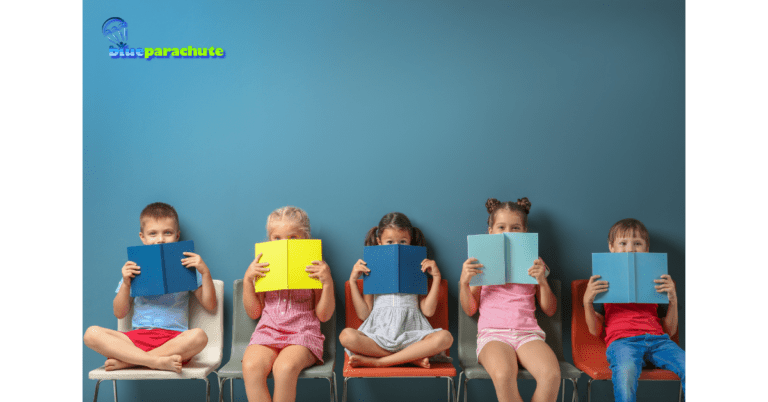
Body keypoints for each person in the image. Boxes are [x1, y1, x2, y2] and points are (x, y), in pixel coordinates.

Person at [83, 202, 217, 373]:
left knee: (199, 336)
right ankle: (155, 361)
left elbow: (210, 305)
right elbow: (119, 312)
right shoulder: (134, 268)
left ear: (177, 236)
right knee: (91, 333)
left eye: (167, 233)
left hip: (173, 341)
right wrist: (126, 283)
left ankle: (131, 362)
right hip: (136, 339)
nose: (160, 239)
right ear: (142, 237)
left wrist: (205, 272)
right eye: (152, 233)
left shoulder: (187, 266)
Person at [460, 198, 560, 402]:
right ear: (490, 231)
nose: (508, 232)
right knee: (504, 375)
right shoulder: (480, 263)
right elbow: (470, 309)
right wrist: (464, 283)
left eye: (515, 228)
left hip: (528, 334)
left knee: (551, 375)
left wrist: (542, 281)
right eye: (501, 227)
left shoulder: (536, 263)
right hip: (493, 335)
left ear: (525, 232)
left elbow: (550, 310)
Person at [583, 218, 686, 402]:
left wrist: (673, 299)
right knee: (626, 373)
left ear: (646, 249)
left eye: (637, 243)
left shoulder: (657, 279)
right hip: (623, 342)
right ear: (611, 247)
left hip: (658, 341)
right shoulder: (602, 280)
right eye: (623, 243)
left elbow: (669, 331)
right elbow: (594, 330)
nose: (630, 249)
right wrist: (587, 301)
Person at [242, 206, 335, 402]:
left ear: (305, 240)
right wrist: (248, 280)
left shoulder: (315, 268)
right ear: (269, 241)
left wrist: (326, 283)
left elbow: (324, 315)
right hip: (267, 333)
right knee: (250, 366)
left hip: (303, 335)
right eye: (277, 238)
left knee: (283, 368)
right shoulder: (263, 266)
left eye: (293, 238)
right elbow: (254, 312)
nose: (285, 243)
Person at [339, 212, 453, 368]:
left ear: (410, 241)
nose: (396, 246)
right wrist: (353, 281)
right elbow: (364, 314)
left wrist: (437, 277)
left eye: (403, 241)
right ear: (379, 242)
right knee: (346, 336)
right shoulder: (371, 268)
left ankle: (380, 362)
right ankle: (411, 358)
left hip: (412, 333)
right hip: (379, 333)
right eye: (390, 242)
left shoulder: (417, 266)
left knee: (445, 338)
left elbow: (428, 311)